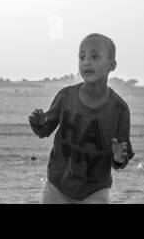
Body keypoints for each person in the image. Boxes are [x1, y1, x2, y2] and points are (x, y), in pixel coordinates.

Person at [29, 33, 134, 203]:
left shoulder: (120, 110)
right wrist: (38, 122)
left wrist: (119, 157)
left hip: (95, 192)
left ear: (112, 65)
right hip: (57, 187)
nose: (86, 62)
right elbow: (44, 130)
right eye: (82, 56)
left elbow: (122, 156)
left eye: (94, 56)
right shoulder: (66, 96)